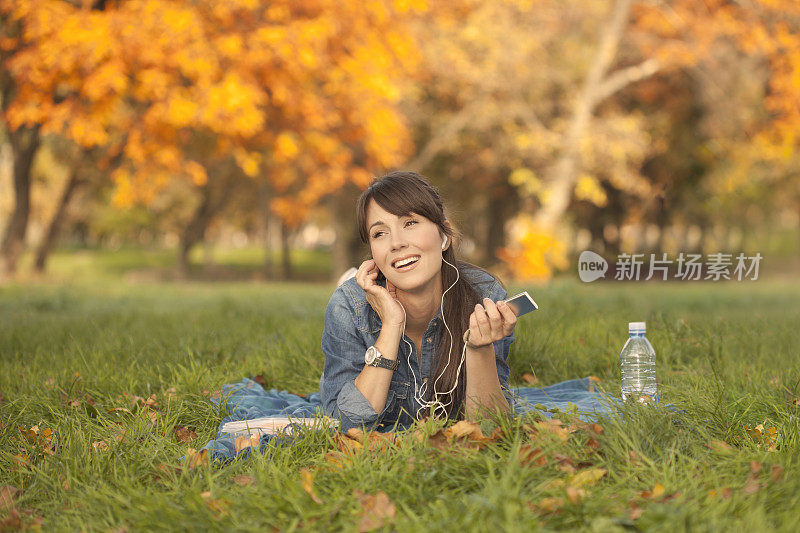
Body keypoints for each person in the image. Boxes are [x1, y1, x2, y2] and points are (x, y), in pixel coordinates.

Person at [320, 171, 518, 432]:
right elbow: (346, 424)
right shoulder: (349, 306)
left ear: (444, 235)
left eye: (410, 223)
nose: (397, 243)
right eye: (380, 234)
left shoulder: (484, 297)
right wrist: (391, 325)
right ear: (373, 253)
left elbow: (490, 429)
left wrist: (480, 349)